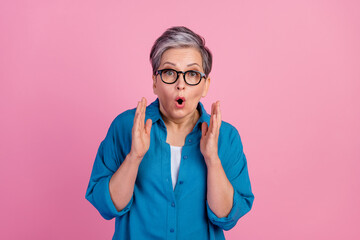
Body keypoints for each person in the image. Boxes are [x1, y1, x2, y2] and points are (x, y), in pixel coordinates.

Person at [85, 26, 254, 240]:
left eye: (192, 74)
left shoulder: (226, 137)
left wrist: (212, 160)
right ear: (155, 82)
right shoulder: (125, 126)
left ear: (205, 85)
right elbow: (106, 207)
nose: (180, 84)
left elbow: (225, 218)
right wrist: (134, 157)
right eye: (169, 73)